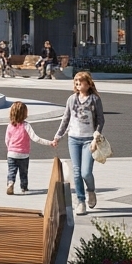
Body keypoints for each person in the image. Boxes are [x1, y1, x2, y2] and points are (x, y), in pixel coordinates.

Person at [52, 71, 106, 216]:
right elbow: (65, 119)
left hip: (89, 139)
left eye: (80, 81)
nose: (77, 84)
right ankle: (81, 201)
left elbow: (101, 120)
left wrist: (96, 136)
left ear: (88, 84)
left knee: (86, 172)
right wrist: (58, 136)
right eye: (76, 81)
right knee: (76, 172)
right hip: (73, 139)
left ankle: (91, 191)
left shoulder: (95, 99)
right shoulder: (71, 99)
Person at [4, 100, 50, 195]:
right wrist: (49, 143)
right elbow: (35, 138)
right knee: (23, 172)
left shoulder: (9, 126)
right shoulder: (26, 125)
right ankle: (24, 187)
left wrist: (10, 149)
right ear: (24, 114)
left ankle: (10, 183)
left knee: (11, 171)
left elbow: (7, 140)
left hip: (12, 153)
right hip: (23, 154)